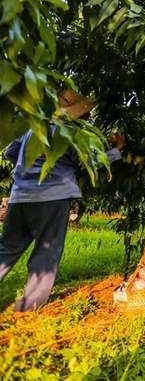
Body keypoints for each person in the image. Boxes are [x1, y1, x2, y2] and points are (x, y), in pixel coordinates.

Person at [0, 90, 125, 313]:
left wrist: (31, 165)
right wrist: (117, 150)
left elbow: (11, 153)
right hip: (52, 197)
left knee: (7, 247)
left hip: (21, 196)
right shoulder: (71, 134)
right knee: (47, 251)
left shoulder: (32, 128)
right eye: (85, 112)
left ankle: (28, 305)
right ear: (75, 114)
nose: (89, 115)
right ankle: (28, 307)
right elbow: (90, 163)